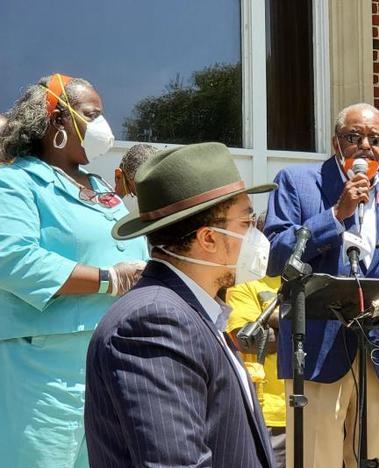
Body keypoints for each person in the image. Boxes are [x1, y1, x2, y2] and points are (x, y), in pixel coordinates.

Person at [84, 142, 276, 467]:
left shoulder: (190, 311)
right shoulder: (155, 322)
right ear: (209, 238)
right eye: (245, 223)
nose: (257, 234)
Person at [0, 73, 148, 468]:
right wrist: (108, 279)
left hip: (114, 361)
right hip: (47, 369)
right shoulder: (15, 182)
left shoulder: (102, 190)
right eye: (91, 114)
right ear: (56, 120)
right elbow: (11, 257)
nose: (102, 124)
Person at [264, 102, 379, 468]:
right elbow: (277, 255)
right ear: (336, 143)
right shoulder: (298, 182)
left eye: (376, 139)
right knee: (317, 459)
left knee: (377, 459)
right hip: (318, 351)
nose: (366, 146)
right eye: (354, 137)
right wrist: (337, 214)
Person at [227, 274, 285, 468]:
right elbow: (247, 340)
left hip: (316, 408)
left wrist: (277, 323)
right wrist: (306, 328)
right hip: (270, 413)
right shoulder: (245, 283)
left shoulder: (314, 279)